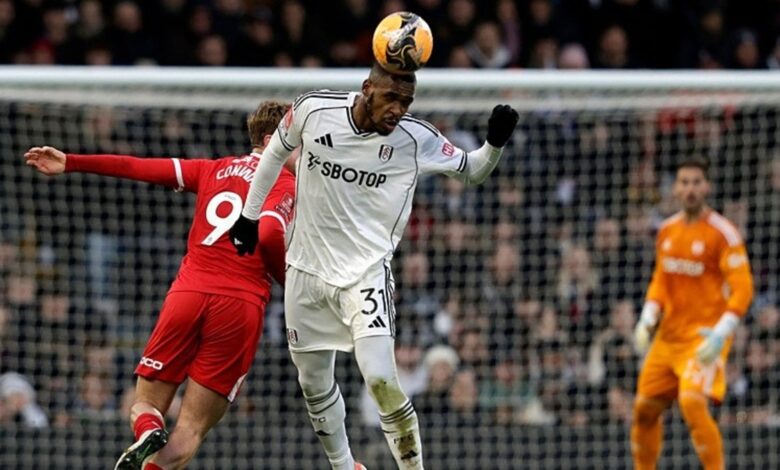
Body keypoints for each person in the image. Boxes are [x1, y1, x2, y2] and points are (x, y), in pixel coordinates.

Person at [228, 62, 519, 470]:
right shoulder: (314, 110)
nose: (398, 110)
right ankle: (345, 466)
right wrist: (248, 215)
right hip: (306, 272)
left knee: (382, 379)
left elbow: (472, 171)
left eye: (406, 102)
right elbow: (274, 152)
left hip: (365, 276)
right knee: (313, 384)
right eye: (391, 98)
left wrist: (494, 144)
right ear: (367, 89)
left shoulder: (416, 139)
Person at [24, 101, 297, 470]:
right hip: (239, 305)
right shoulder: (285, 182)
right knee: (191, 430)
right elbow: (267, 234)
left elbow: (136, 166)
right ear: (272, 140)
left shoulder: (211, 169)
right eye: (299, 141)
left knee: (143, 404)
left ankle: (148, 427)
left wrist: (72, 161)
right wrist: (291, 285)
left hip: (187, 295)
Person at [631, 157, 754, 470]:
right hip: (668, 337)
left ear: (707, 187)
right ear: (675, 188)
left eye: (696, 182)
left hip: (703, 338)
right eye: (684, 182)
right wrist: (647, 318)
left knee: (692, 402)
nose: (690, 189)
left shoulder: (723, 234)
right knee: (643, 410)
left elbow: (743, 289)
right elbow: (661, 280)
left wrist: (722, 332)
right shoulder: (667, 231)